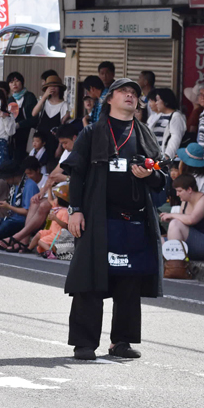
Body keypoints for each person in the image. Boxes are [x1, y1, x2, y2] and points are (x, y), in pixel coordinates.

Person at [62, 78, 165, 361]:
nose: (130, 96)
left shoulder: (144, 133)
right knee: (90, 280)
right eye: (124, 92)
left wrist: (151, 175)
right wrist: (75, 210)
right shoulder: (92, 132)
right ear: (109, 99)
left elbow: (161, 177)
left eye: (134, 93)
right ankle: (84, 343)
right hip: (97, 218)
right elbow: (77, 174)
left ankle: (121, 341)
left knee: (129, 283)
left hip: (134, 220)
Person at [160, 174, 204, 260]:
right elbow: (182, 221)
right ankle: (172, 261)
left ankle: (175, 263)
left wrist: (172, 215)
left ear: (189, 189)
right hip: (189, 242)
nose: (177, 194)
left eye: (179, 191)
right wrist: (172, 218)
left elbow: (191, 220)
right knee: (158, 239)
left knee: (175, 223)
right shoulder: (185, 201)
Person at [0, 159, 39, 243]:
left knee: (2, 228)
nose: (5, 180)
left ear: (12, 176)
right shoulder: (15, 185)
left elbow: (28, 212)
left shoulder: (30, 186)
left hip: (22, 222)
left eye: (5, 178)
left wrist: (8, 206)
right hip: (11, 218)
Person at [31, 75, 70, 160]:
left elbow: (63, 127)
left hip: (54, 142)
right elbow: (34, 113)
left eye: (55, 86)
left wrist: (60, 147)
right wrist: (44, 96)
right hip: (41, 142)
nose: (53, 89)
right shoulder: (43, 102)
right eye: (50, 87)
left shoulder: (64, 105)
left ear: (60, 88)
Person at [7, 72, 37, 162]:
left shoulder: (29, 97)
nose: (14, 84)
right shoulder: (10, 99)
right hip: (14, 135)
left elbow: (34, 118)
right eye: (11, 82)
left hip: (28, 132)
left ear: (22, 82)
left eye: (17, 81)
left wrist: (19, 124)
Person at [153, 88, 186, 159]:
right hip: (155, 157)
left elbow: (175, 138)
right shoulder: (158, 116)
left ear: (165, 101)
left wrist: (167, 156)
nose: (156, 103)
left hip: (165, 158)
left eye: (158, 100)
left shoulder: (176, 116)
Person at [0, 88, 15, 168]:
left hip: (1, 145)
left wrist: (4, 117)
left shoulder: (8, 115)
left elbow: (11, 132)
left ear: (3, 101)